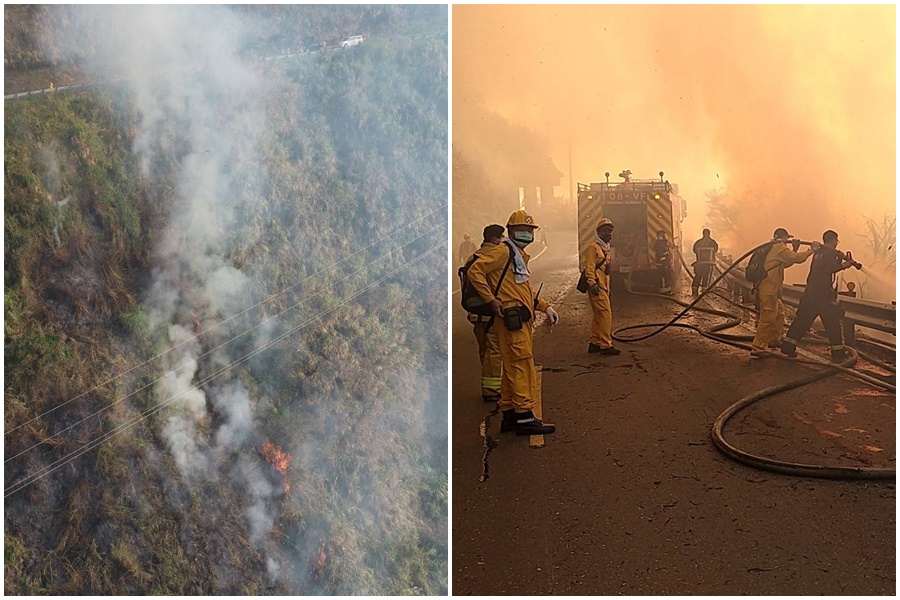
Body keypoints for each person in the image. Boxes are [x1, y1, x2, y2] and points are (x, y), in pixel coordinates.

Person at [466, 210, 559, 435]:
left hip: (518, 320)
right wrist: (491, 300)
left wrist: (545, 306)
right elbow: (475, 270)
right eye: (522, 231)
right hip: (511, 321)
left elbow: (524, 290)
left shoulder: (517, 256)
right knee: (522, 365)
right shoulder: (503, 252)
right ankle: (525, 417)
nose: (527, 234)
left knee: (511, 368)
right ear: (510, 231)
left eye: (529, 230)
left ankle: (509, 414)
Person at [781, 230, 856, 362]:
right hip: (824, 296)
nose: (837, 244)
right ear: (833, 240)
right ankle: (838, 354)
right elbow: (830, 268)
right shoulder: (830, 252)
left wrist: (840, 257)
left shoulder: (818, 253)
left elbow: (824, 266)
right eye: (837, 241)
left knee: (802, 321)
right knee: (833, 324)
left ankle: (788, 346)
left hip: (810, 293)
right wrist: (845, 264)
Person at [749, 228, 817, 358]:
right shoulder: (778, 247)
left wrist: (795, 249)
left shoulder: (774, 248)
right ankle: (758, 347)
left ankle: (774, 340)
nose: (787, 241)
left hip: (773, 289)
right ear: (783, 237)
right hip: (768, 289)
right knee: (767, 317)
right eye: (787, 238)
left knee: (779, 314)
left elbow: (786, 263)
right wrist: (811, 250)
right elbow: (796, 258)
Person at [465, 224, 505, 402]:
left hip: (475, 313)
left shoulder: (472, 257)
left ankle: (489, 384)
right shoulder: (491, 257)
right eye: (502, 238)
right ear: (495, 239)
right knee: (495, 351)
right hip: (491, 312)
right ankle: (493, 390)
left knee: (485, 350)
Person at [583, 218, 620, 355]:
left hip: (603, 287)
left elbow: (606, 272)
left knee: (598, 315)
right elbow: (590, 268)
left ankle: (595, 342)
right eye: (604, 231)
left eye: (609, 231)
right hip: (597, 286)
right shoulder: (593, 248)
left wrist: (608, 289)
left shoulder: (606, 249)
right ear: (598, 233)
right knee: (605, 315)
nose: (608, 234)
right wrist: (591, 283)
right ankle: (606, 345)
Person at [692, 228, 719, 297]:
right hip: (708, 263)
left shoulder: (698, 242)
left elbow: (694, 250)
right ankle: (704, 290)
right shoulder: (712, 242)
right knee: (705, 276)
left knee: (698, 275)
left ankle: (695, 290)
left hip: (700, 263)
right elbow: (715, 249)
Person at [653, 230, 673, 294]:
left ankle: (667, 290)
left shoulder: (663, 243)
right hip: (662, 263)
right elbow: (660, 254)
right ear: (660, 235)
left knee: (667, 276)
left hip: (664, 263)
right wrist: (664, 262)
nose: (665, 236)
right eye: (663, 234)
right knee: (663, 276)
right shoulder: (659, 243)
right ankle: (664, 291)